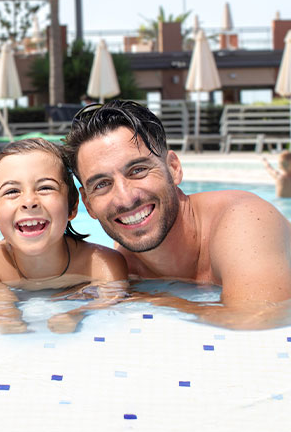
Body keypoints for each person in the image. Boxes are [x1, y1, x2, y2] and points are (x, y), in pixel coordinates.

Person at [65, 100, 291, 329]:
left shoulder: (245, 220)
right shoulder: (125, 264)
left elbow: (260, 316)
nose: (125, 199)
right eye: (102, 184)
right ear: (88, 204)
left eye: (138, 170)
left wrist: (153, 300)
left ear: (173, 168)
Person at [0, 138, 128, 334]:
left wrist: (77, 313)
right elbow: (2, 314)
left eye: (45, 188)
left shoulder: (102, 264)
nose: (29, 201)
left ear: (72, 205)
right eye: (12, 191)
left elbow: (111, 304)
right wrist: (8, 317)